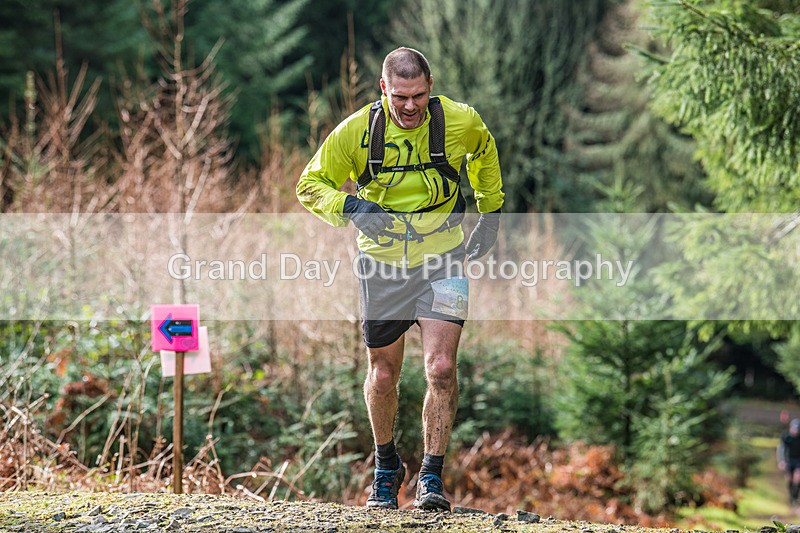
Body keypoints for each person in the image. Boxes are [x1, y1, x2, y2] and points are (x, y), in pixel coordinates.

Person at [296, 47, 504, 511]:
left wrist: (489, 213)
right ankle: (386, 468)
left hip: (443, 258)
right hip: (382, 264)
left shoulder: (459, 122)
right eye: (400, 97)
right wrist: (354, 207)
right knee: (384, 373)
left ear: (431, 87)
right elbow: (309, 185)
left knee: (441, 369)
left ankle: (431, 475)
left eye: (419, 96)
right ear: (383, 88)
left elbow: (484, 153)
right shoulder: (357, 131)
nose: (410, 107)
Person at [778, 418, 800, 506]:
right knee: (789, 479)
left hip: (798, 460)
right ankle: (791, 496)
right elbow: (781, 449)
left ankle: (796, 496)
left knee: (798, 477)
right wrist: (781, 460)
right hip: (789, 460)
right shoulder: (786, 437)